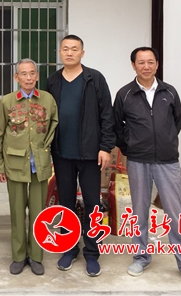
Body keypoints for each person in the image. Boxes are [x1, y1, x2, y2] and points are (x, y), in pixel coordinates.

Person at [113, 46, 181, 287]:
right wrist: (131, 146)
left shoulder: (168, 92)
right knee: (139, 211)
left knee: (175, 212)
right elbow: (117, 126)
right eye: (141, 62)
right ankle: (140, 257)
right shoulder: (125, 94)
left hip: (167, 160)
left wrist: (166, 141)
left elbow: (177, 121)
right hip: (137, 160)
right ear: (133, 65)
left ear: (157, 64)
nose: (146, 66)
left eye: (150, 62)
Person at [46, 34, 114, 277]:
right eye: (65, 49)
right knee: (65, 203)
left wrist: (105, 147)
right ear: (60, 52)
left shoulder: (94, 79)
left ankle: (92, 252)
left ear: (82, 53)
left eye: (74, 49)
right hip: (61, 153)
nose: (69, 53)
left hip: (90, 154)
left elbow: (107, 114)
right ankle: (69, 247)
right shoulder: (53, 81)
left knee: (92, 202)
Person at [0, 58, 58, 276]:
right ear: (16, 77)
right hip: (15, 164)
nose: (28, 78)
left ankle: (36, 256)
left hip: (40, 164)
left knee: (39, 213)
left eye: (32, 73)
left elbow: (54, 124)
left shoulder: (47, 99)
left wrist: (45, 147)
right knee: (18, 212)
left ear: (37, 76)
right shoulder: (7, 101)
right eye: (24, 74)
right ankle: (19, 256)